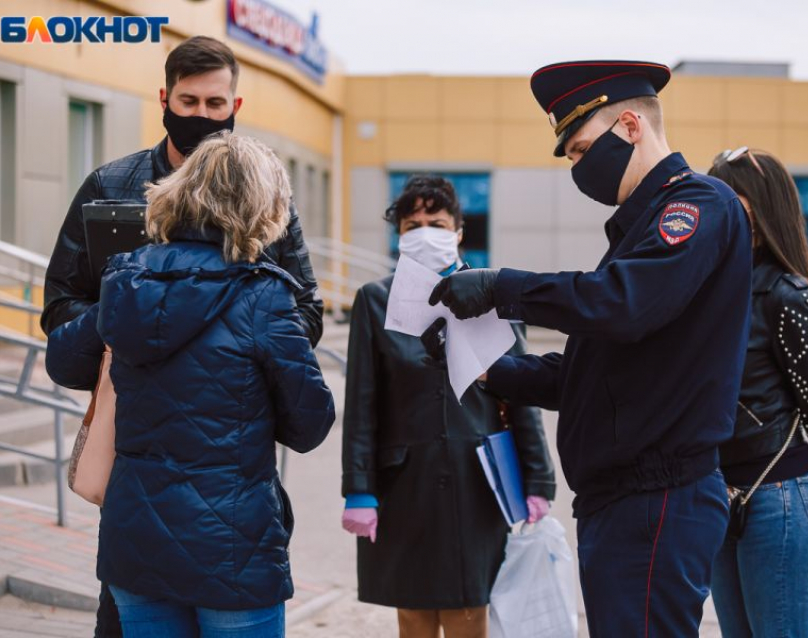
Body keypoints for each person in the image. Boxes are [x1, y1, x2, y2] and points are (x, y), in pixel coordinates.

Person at [429, 61, 753, 636]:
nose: (577, 168)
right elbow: (595, 370)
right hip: (624, 501)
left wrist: (502, 286)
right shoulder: (640, 229)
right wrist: (489, 372)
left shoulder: (698, 206)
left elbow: (621, 304)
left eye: (580, 149)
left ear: (630, 125)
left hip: (657, 497)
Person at [40, 35, 324, 637]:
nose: (200, 116)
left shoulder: (263, 195)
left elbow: (307, 309)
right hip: (134, 444)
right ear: (164, 98)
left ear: (235, 106)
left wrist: (244, 344)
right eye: (188, 102)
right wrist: (123, 331)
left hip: (226, 444)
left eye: (214, 104)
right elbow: (61, 309)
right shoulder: (110, 185)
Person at [341, 175, 556, 638]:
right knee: (414, 619)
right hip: (403, 486)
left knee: (468, 615)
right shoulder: (374, 300)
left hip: (475, 483)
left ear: (457, 230)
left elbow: (522, 394)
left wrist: (538, 479)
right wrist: (357, 488)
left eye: (435, 222)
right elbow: (362, 404)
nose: (424, 230)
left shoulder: (490, 294)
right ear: (398, 234)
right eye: (411, 223)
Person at [706, 147, 808, 637]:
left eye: (731, 201)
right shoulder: (705, 288)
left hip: (781, 500)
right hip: (717, 496)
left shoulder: (788, 297)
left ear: (762, 209)